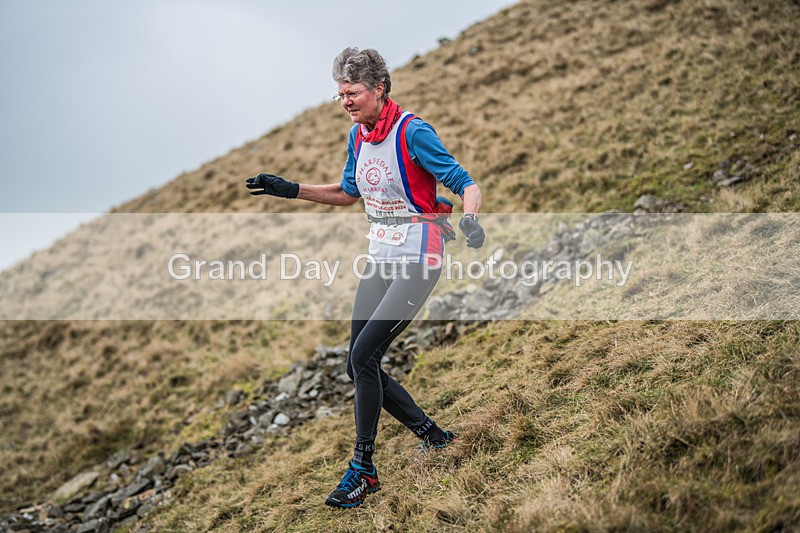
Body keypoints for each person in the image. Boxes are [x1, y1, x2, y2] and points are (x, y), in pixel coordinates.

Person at [245, 47, 485, 509]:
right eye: (340, 95)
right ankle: (433, 436)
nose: (346, 103)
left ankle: (363, 469)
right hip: (380, 254)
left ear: (379, 89)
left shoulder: (413, 132)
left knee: (363, 354)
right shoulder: (358, 137)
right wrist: (289, 189)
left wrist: (471, 218)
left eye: (352, 93)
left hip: (419, 256)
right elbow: (347, 193)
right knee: (358, 363)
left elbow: (465, 182)